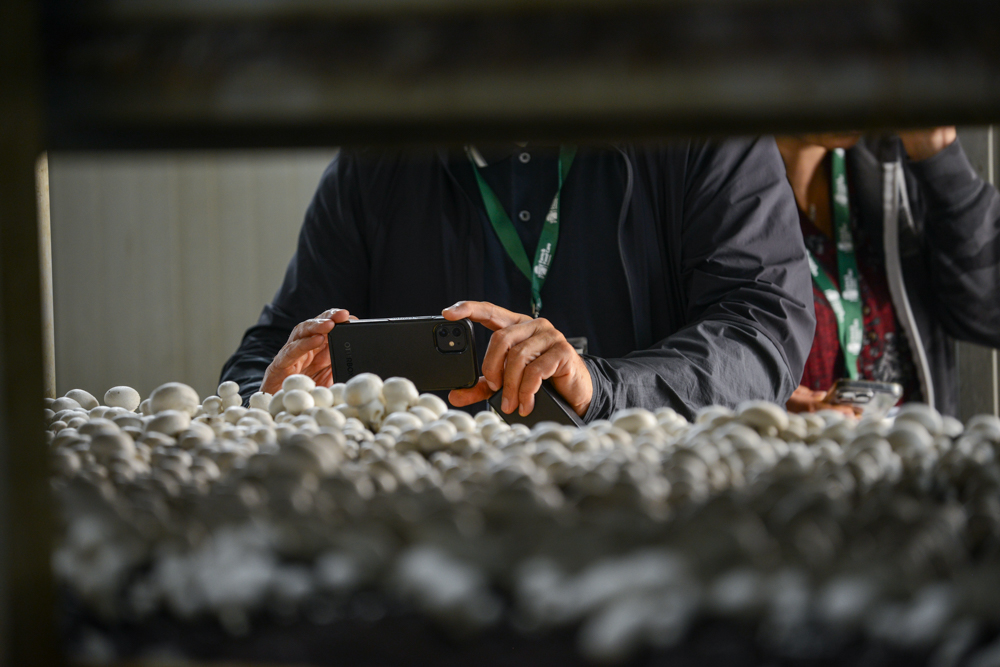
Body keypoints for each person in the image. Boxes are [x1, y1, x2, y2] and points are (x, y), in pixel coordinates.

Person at [221, 140, 816, 421]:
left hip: (662, 521)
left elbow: (761, 324)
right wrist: (273, 401)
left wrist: (607, 390)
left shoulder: (699, 131)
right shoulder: (374, 166)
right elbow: (262, 357)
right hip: (435, 545)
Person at [778, 128, 1000, 416]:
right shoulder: (720, 183)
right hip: (778, 456)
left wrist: (936, 151)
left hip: (911, 454)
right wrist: (755, 400)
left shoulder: (893, 162)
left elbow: (991, 312)